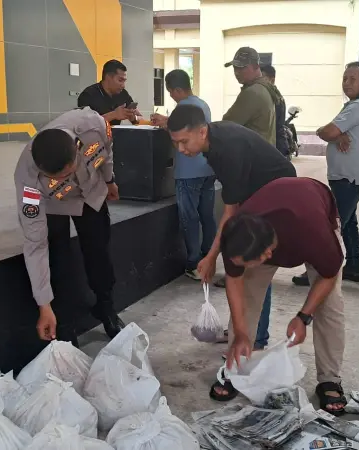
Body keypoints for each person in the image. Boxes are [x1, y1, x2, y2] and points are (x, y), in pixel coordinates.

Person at [211, 177, 347, 416]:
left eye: (246, 264)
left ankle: (329, 379)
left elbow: (329, 274)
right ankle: (237, 368)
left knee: (330, 304)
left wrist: (304, 317)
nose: (239, 268)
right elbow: (235, 281)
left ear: (267, 254)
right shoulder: (237, 234)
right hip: (272, 215)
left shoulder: (313, 232)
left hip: (313, 206)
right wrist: (241, 333)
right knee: (249, 295)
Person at [167, 104, 296, 350]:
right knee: (239, 260)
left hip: (279, 193)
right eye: (175, 144)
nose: (181, 150)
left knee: (254, 263)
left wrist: (212, 255)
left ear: (202, 132)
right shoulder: (214, 142)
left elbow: (230, 211)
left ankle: (254, 337)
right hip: (256, 191)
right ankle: (243, 330)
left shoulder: (228, 150)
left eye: (184, 142)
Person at [15, 108, 125, 342]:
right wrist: (43, 304)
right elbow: (35, 244)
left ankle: (106, 307)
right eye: (60, 177)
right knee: (59, 261)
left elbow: (107, 151)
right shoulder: (28, 181)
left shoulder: (93, 125)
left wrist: (109, 179)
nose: (69, 178)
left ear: (76, 149)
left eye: (70, 170)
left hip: (92, 192)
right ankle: (64, 324)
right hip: (56, 204)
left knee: (99, 252)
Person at [293, 62, 359, 287]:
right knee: (349, 223)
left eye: (352, 79)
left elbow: (326, 131)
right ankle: (353, 266)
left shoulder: (358, 107)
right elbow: (331, 133)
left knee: (332, 224)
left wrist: (331, 134)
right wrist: (336, 136)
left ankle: (317, 269)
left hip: (349, 177)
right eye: (345, 78)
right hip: (347, 176)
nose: (346, 83)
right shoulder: (357, 105)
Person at [149, 70, 216, 280]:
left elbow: (180, 133)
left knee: (190, 216)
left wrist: (165, 124)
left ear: (178, 89)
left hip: (189, 170)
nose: (171, 96)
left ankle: (194, 263)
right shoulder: (202, 104)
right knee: (207, 214)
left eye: (171, 92)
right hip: (207, 168)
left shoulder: (184, 106)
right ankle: (209, 258)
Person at [222, 47, 281, 146]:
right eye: (235, 68)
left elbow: (226, 126)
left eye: (242, 68)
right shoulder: (265, 87)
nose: (237, 72)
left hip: (251, 156)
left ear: (256, 66)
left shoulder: (253, 92)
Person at [77, 59, 139, 125]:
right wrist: (114, 115)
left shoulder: (123, 93)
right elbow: (84, 125)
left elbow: (140, 118)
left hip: (116, 134)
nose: (123, 86)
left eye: (124, 81)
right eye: (120, 80)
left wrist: (133, 118)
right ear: (108, 77)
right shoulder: (88, 95)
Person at [260, 65, 290, 157]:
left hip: (276, 145)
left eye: (262, 78)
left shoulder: (273, 97)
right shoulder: (274, 94)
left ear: (272, 80)